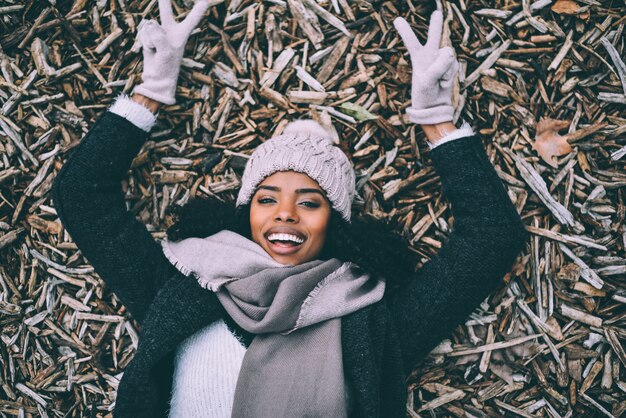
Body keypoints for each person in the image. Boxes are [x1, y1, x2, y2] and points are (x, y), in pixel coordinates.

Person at [52, 0, 528, 417]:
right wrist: (150, 92)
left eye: (309, 202)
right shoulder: (186, 289)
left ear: (333, 224)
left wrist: (435, 120)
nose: (285, 213)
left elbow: (490, 238)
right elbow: (82, 198)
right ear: (246, 215)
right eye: (267, 198)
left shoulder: (364, 324)